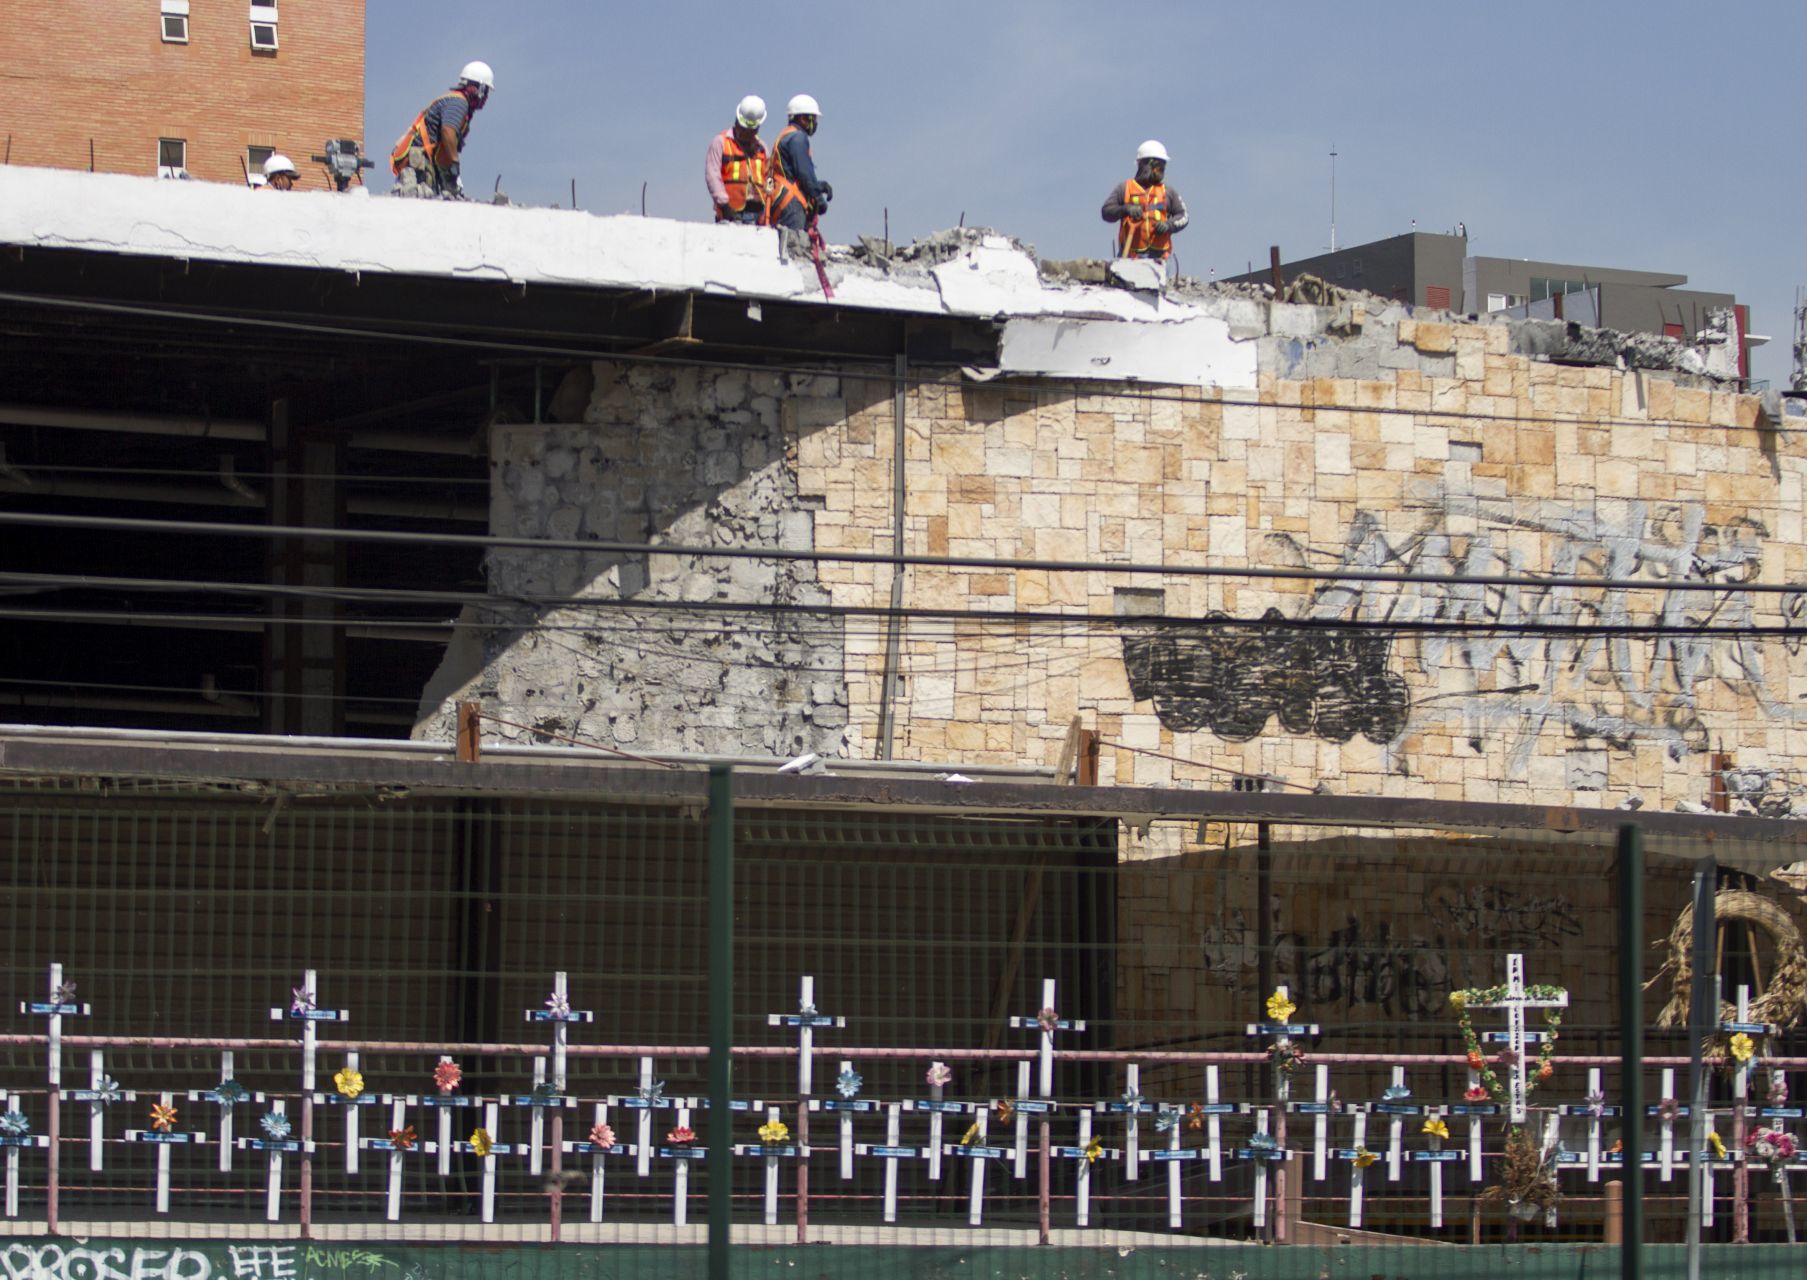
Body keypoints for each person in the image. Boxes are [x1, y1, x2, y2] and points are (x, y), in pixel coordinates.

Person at [390, 61, 494, 199]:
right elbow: (448, 131)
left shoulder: (456, 102)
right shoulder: (458, 103)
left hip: (423, 162)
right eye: (486, 91)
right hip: (418, 163)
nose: (486, 97)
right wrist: (454, 165)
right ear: (478, 89)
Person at [1102, 140, 1188, 261]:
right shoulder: (1125, 188)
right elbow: (1106, 212)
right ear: (1143, 164)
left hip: (1159, 258)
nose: (1161, 170)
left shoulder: (1167, 191)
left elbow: (1183, 216)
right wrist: (1125, 209)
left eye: (1163, 166)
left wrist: (1169, 225)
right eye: (1158, 165)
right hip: (1130, 257)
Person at [768, 94, 832, 232]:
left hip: (781, 198)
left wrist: (819, 186)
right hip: (791, 203)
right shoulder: (798, 138)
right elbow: (804, 174)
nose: (814, 123)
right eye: (813, 119)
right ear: (803, 119)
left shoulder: (785, 135)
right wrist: (819, 199)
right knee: (794, 245)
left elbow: (792, 172)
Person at [705, 96, 771, 224]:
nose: (746, 134)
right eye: (743, 129)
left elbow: (769, 178)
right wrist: (724, 205)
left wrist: (769, 206)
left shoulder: (762, 148)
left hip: (759, 213)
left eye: (749, 131)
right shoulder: (721, 142)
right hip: (731, 212)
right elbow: (712, 175)